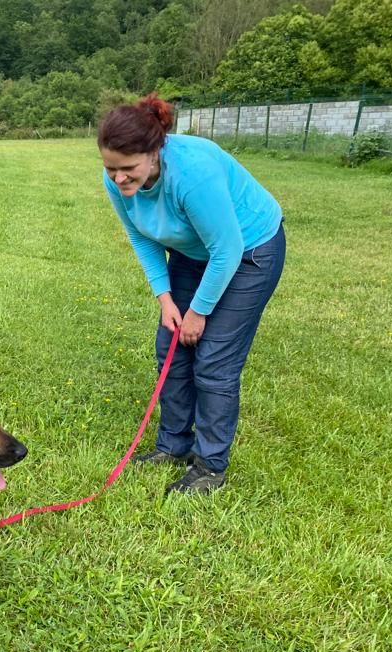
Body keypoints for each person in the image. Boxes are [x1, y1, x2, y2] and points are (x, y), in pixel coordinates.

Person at [97, 93, 285, 494]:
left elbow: (227, 250)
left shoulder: (192, 173)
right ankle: (173, 445)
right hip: (193, 253)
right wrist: (166, 299)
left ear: (154, 152)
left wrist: (198, 312)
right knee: (171, 349)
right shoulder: (117, 178)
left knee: (214, 361)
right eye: (110, 169)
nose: (118, 179)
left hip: (250, 250)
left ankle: (210, 467)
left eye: (127, 169)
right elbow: (140, 235)